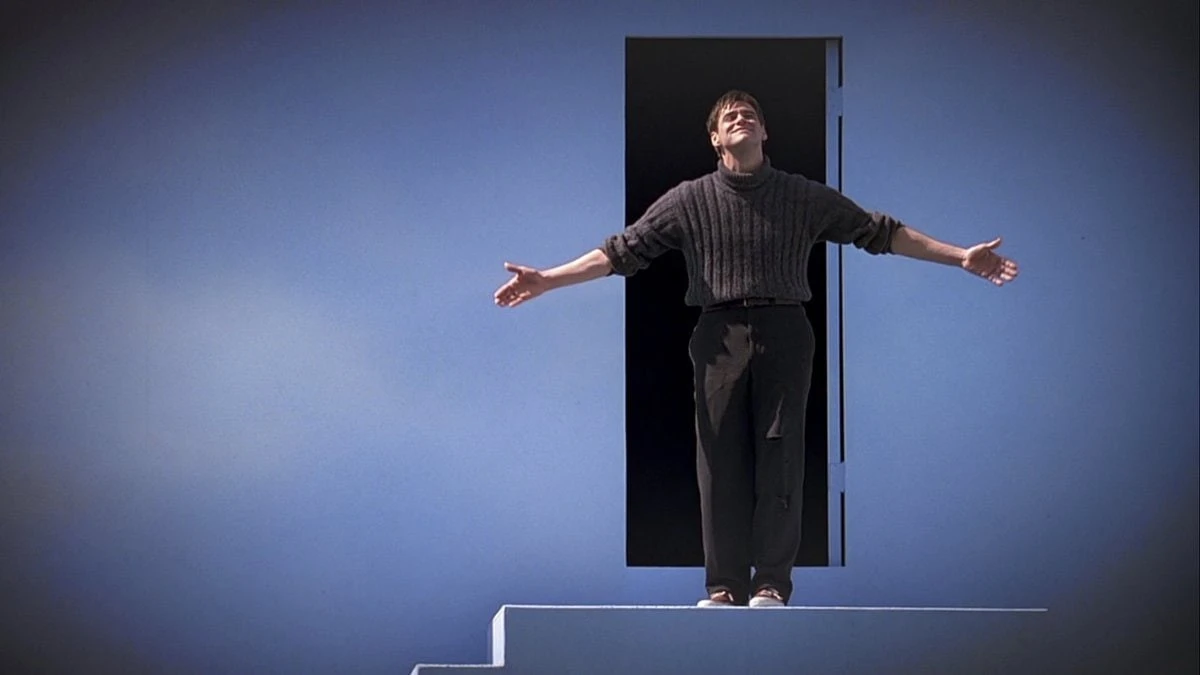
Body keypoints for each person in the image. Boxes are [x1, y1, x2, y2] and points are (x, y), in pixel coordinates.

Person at [492, 90, 1019, 608]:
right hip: (718, 334)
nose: (740, 117)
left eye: (750, 114)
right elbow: (622, 250)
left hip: (785, 329)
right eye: (729, 116)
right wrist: (548, 279)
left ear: (765, 132)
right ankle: (723, 586)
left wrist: (959, 256)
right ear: (715, 139)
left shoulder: (801, 195)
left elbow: (878, 231)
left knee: (780, 453)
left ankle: (770, 584)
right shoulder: (689, 199)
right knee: (718, 459)